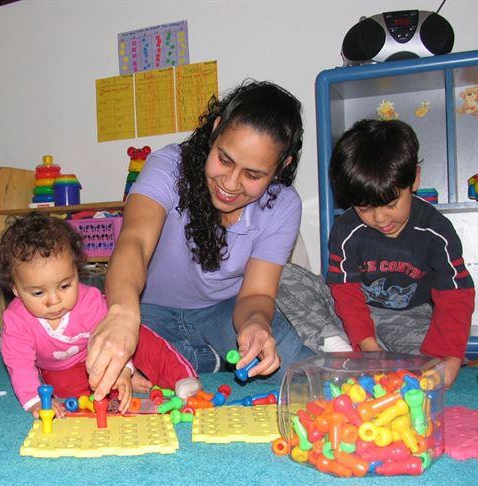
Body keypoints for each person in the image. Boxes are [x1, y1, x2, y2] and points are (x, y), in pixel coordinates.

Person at [87, 80, 313, 399]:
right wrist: (122, 314)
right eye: (224, 159)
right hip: (148, 309)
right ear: (216, 130)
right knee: (94, 354)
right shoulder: (169, 166)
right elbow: (134, 241)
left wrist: (256, 324)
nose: (230, 184)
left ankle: (198, 357)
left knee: (297, 369)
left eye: (253, 175)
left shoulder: (284, 205)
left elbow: (257, 293)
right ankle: (205, 358)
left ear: (280, 168)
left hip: (224, 312)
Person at [0, 213, 201, 417]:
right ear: (16, 289)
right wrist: (35, 401)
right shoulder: (16, 320)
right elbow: (19, 365)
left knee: (143, 340)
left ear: (76, 272)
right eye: (38, 293)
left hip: (103, 346)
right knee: (66, 388)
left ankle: (181, 377)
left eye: (65, 285)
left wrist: (123, 369)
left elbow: (117, 339)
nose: (54, 300)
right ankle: (119, 387)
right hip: (61, 368)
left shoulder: (90, 301)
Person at [326, 119, 475, 387]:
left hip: (410, 318)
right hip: (355, 319)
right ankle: (348, 350)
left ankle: (349, 357)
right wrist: (368, 346)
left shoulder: (436, 232)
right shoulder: (346, 229)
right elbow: (345, 293)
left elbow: (455, 297)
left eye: (391, 204)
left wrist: (448, 358)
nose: (380, 218)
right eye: (364, 209)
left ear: (414, 180)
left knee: (427, 366)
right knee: (288, 279)